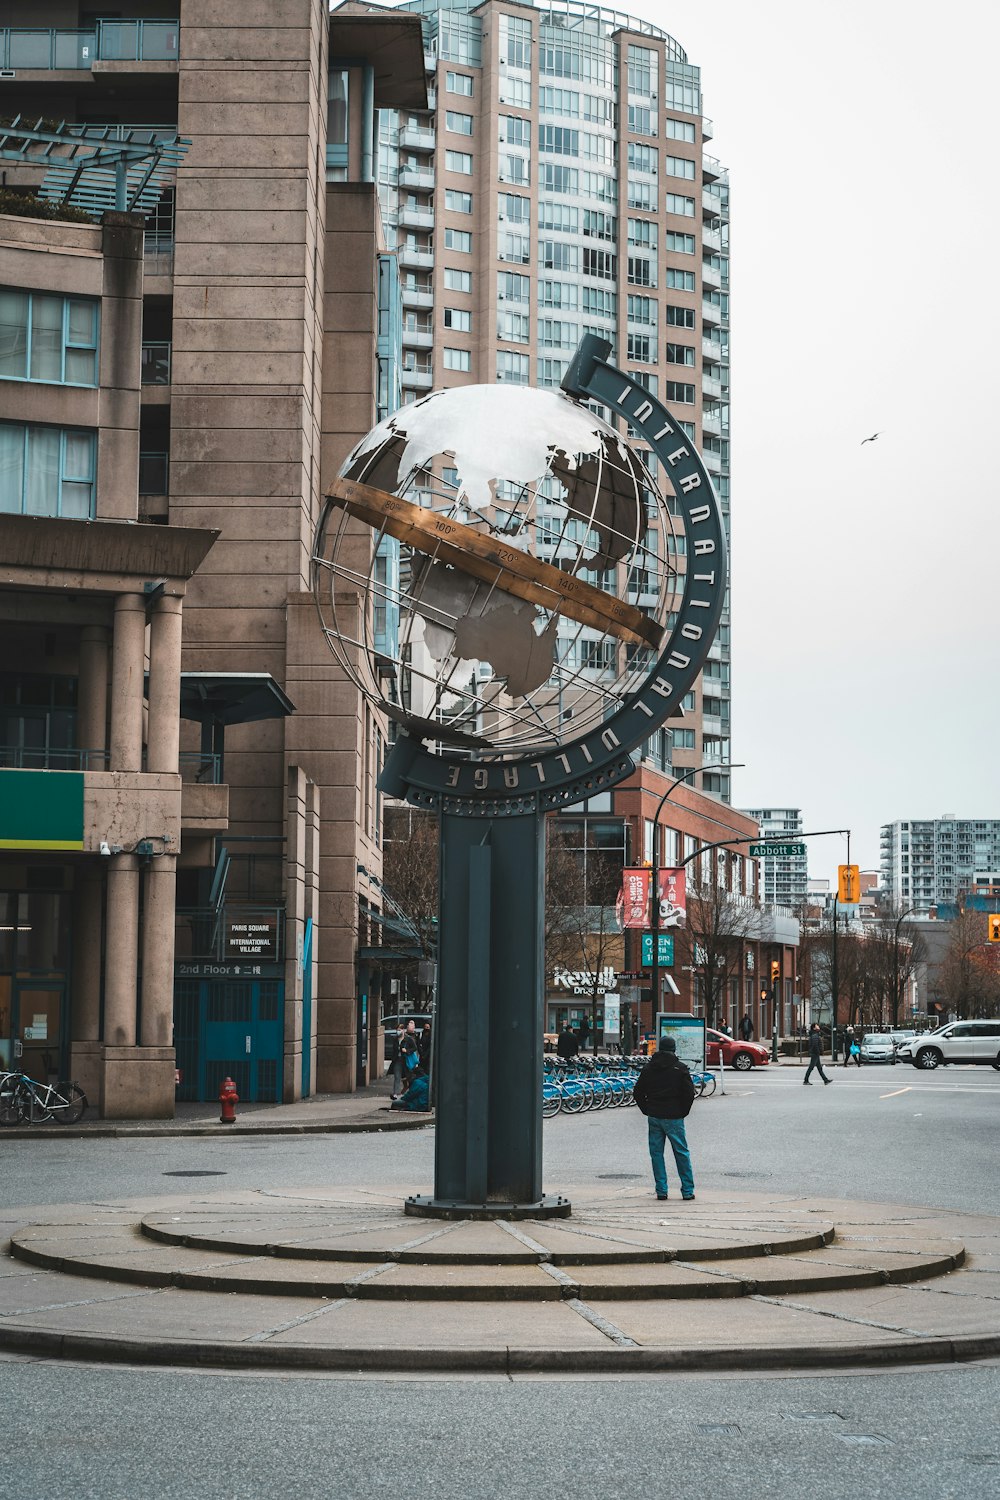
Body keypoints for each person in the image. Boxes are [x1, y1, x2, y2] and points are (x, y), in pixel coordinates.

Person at [632, 1036, 696, 1201]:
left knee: (656, 1154)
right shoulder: (680, 1068)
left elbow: (638, 1092)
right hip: (674, 1116)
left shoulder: (648, 1068)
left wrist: (647, 1109)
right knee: (681, 1153)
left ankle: (661, 1190)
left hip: (654, 1115)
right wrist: (683, 1112)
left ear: (659, 1048)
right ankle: (687, 1190)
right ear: (674, 1049)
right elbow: (689, 1093)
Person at [387, 1025, 405, 1100]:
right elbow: (394, 1049)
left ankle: (406, 1094)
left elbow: (414, 1048)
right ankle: (395, 1093)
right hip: (397, 1060)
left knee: (407, 1078)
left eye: (400, 1030)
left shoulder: (407, 1039)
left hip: (405, 1060)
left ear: (403, 1030)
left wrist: (406, 1050)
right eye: (397, 1030)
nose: (398, 1031)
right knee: (397, 1077)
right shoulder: (395, 1039)